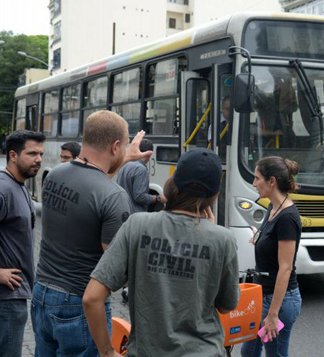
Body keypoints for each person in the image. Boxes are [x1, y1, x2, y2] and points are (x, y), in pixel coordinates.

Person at [82, 148, 239, 356]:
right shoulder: (223, 239)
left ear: (173, 182)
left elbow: (92, 298)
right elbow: (227, 306)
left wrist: (107, 352)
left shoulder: (136, 225)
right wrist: (211, 234)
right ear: (214, 194)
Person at [31, 110, 153, 356]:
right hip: (78, 305)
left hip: (41, 294)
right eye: (125, 144)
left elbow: (89, 187)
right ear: (115, 145)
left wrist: (124, 159)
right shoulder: (114, 196)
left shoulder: (55, 175)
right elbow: (114, 267)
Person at [241, 157, 303, 357]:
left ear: (272, 181)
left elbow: (285, 268)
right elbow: (270, 238)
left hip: (280, 302)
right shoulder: (273, 208)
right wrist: (258, 238)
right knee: (249, 352)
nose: (253, 183)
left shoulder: (287, 218)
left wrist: (272, 314)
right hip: (263, 296)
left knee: (274, 354)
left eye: (257, 178)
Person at [0, 131, 44, 357]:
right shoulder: (3, 188)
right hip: (6, 298)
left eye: (41, 154)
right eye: (32, 153)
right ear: (13, 155)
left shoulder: (19, 186)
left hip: (15, 296)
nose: (38, 159)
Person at [116, 139, 165, 214]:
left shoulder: (125, 165)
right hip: (135, 214)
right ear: (150, 154)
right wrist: (157, 198)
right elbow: (139, 197)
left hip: (123, 212)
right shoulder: (141, 170)